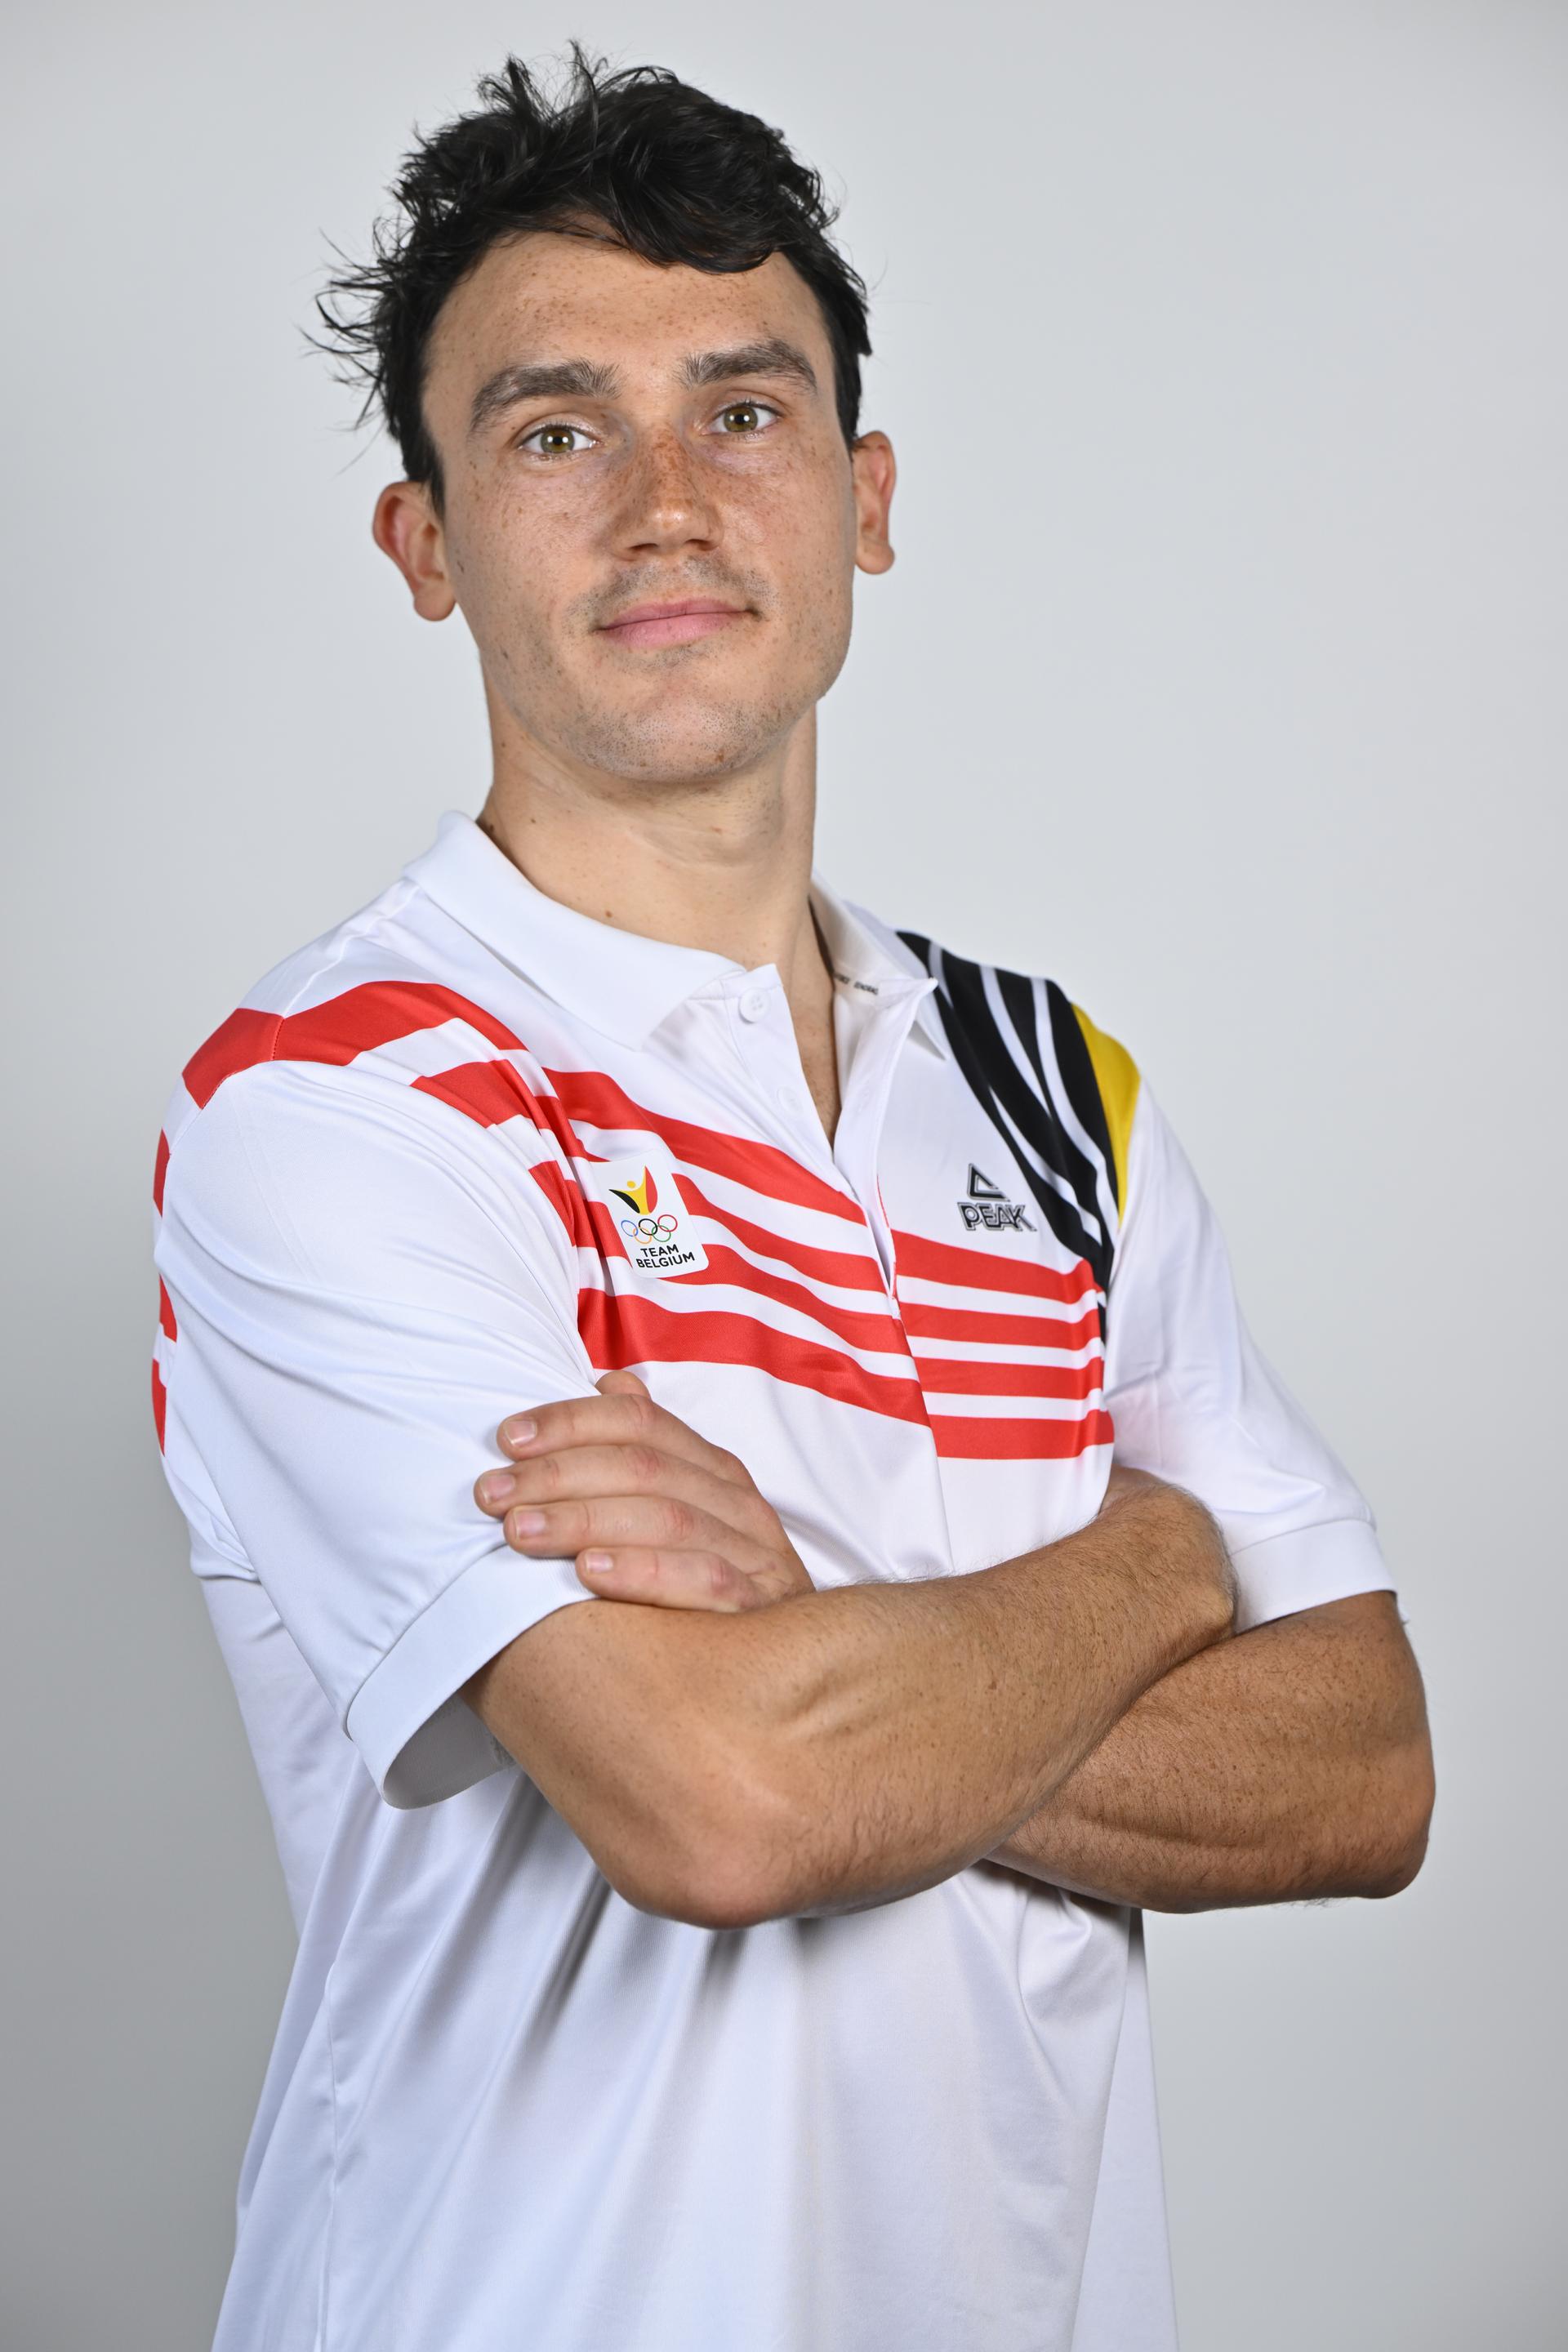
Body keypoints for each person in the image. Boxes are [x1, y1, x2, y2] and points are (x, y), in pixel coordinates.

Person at [149, 48, 1434, 2352]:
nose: (667, 504)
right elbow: (725, 1806)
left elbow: (1361, 1765)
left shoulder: (1053, 1087)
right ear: (426, 545)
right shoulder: (339, 1103)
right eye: (557, 432)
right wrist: (1163, 1559)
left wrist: (816, 1611)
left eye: (742, 413)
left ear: (865, 496)